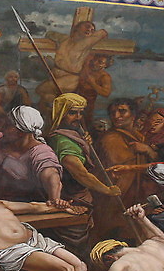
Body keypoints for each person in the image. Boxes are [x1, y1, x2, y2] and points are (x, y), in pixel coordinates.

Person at [47, 93, 121, 255]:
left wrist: (83, 142)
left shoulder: (71, 135)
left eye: (81, 113)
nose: (78, 117)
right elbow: (80, 174)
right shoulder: (63, 141)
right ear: (61, 114)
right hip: (71, 200)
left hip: (80, 197)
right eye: (72, 113)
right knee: (73, 245)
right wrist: (107, 190)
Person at [0, 106, 65, 205]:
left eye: (8, 126)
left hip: (26, 207)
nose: (3, 129)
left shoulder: (41, 152)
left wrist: (54, 199)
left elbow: (50, 175)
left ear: (21, 131)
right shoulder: (1, 145)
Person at [94, 97, 154, 236]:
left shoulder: (140, 138)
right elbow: (118, 167)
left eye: (122, 111)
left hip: (137, 194)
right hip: (119, 195)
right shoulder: (110, 138)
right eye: (113, 112)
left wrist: (148, 150)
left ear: (133, 115)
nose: (116, 116)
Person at [35, 9, 110, 107]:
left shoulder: (85, 43)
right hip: (55, 74)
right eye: (87, 27)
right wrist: (49, 36)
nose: (89, 30)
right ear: (76, 28)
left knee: (39, 90)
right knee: (48, 97)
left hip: (70, 78)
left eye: (92, 30)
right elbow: (50, 34)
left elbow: (103, 32)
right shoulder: (64, 39)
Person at [77, 54, 113, 126]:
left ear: (105, 65)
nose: (95, 63)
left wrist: (92, 83)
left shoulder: (104, 76)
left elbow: (106, 93)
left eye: (100, 62)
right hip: (75, 96)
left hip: (87, 103)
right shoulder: (86, 68)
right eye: (95, 60)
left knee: (85, 121)